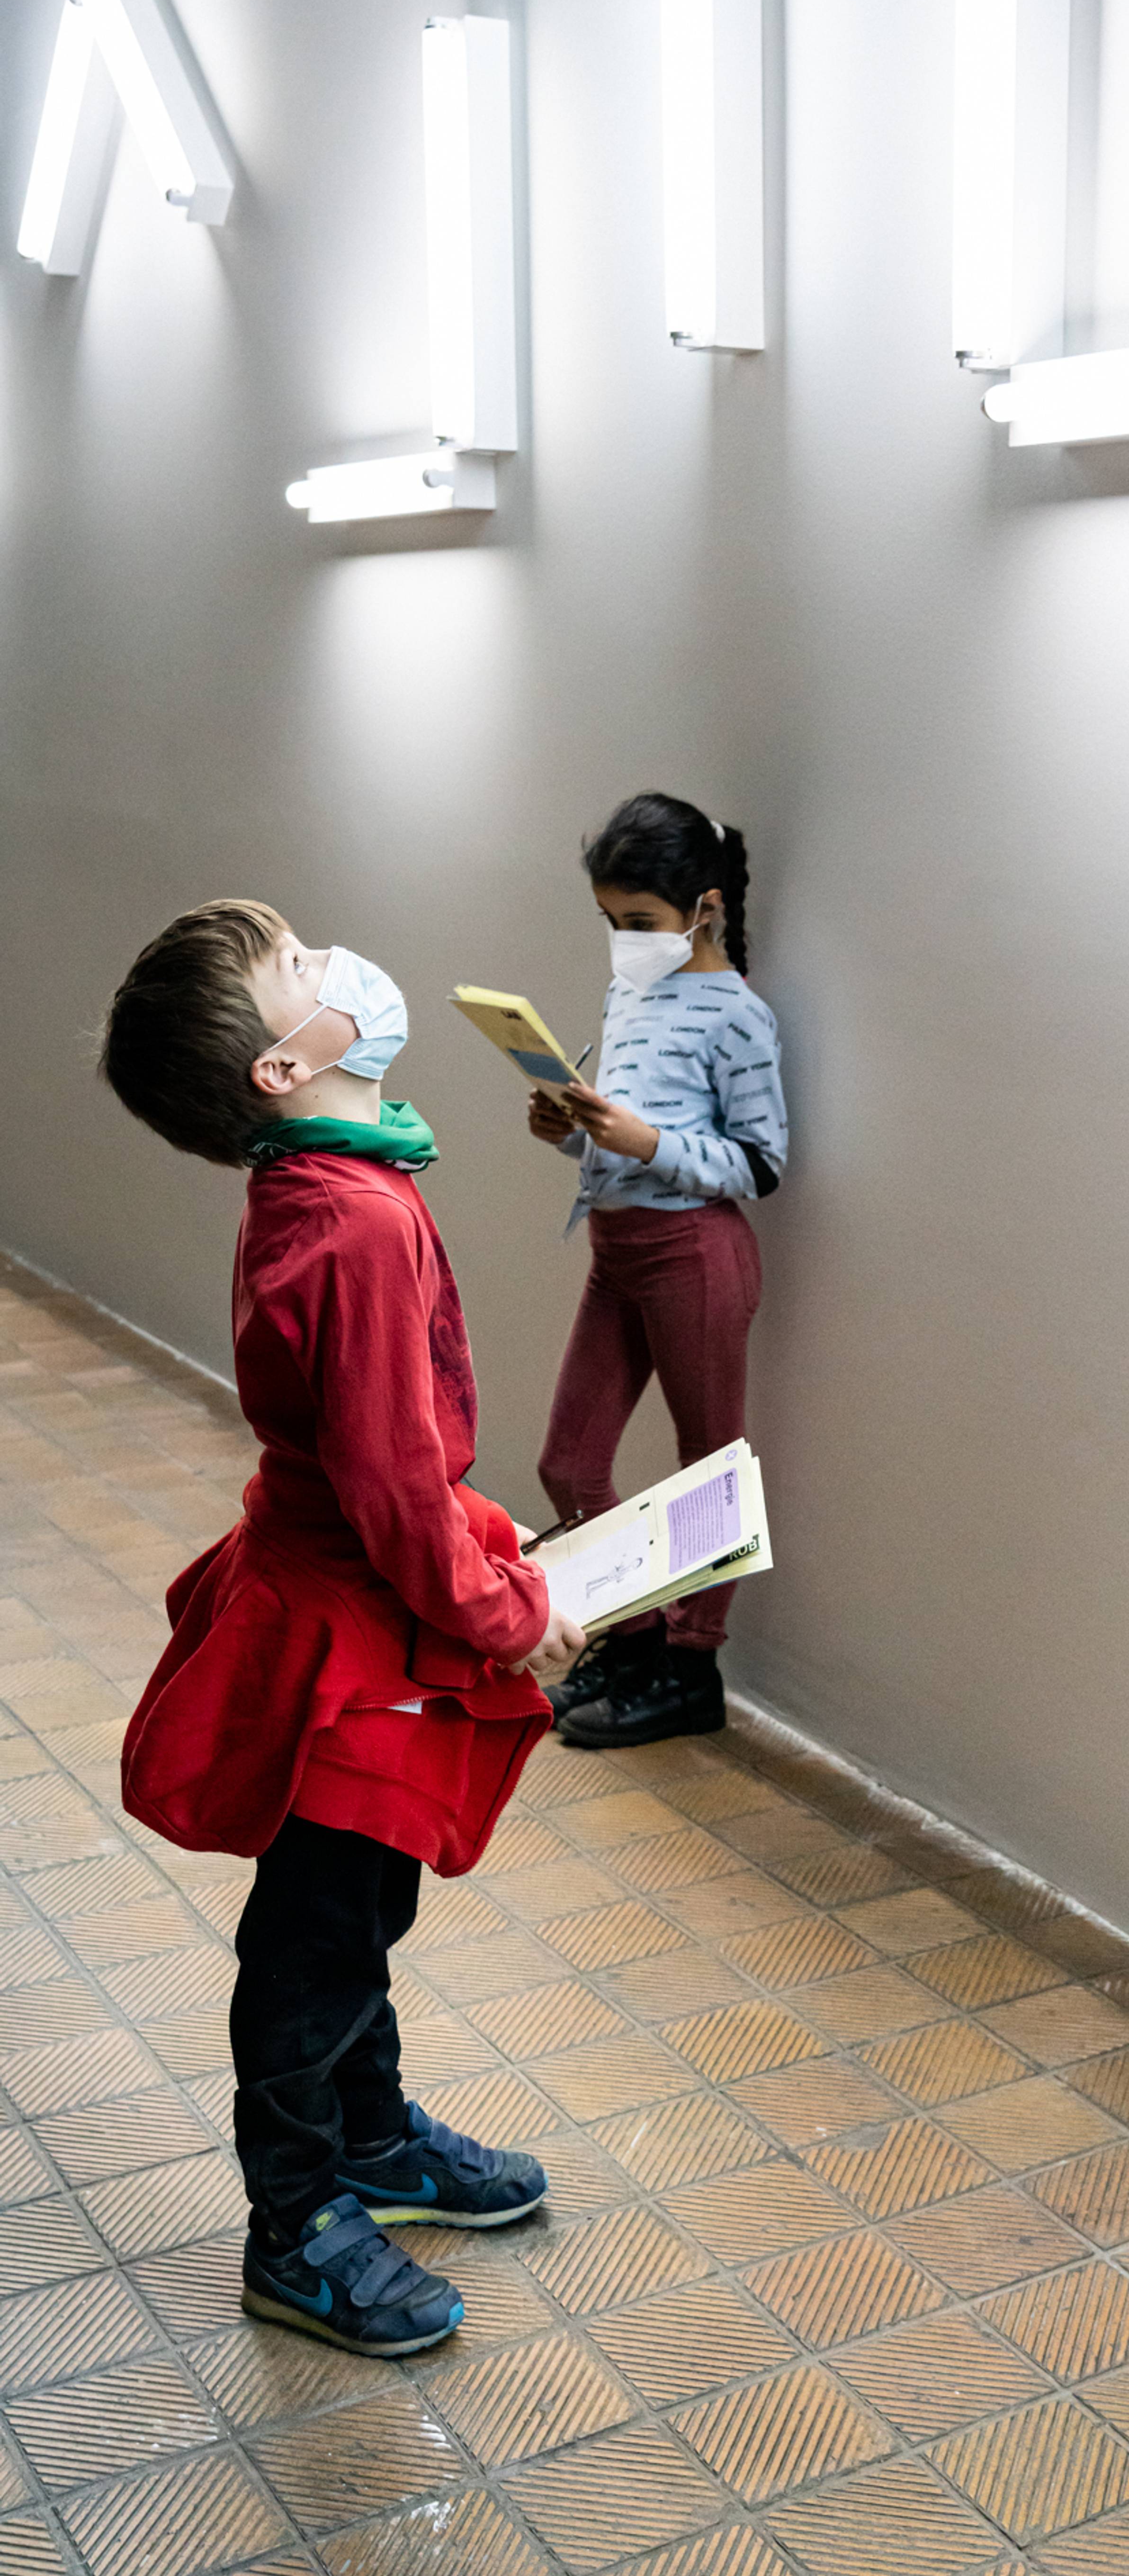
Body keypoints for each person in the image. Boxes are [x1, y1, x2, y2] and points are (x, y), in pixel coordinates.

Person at [99, 905, 586, 2357]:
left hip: (348, 1605)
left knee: (361, 1908)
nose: (335, 966)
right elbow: (387, 1485)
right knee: (316, 1936)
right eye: (300, 969)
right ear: (277, 1069)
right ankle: (296, 2224)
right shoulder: (354, 1216)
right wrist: (512, 1609)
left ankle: (370, 2142)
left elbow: (391, 1457)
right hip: (345, 1646)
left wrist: (481, 1546)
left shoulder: (335, 1181)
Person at [529, 793, 788, 1748]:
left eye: (638, 922)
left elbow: (761, 1165)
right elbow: (621, 1144)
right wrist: (574, 1132)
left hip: (695, 1255)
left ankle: (691, 1667)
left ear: (703, 908)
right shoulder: (631, 994)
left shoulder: (740, 1016)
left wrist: (650, 1139)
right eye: (611, 922)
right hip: (619, 1249)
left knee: (707, 1474)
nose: (624, 941)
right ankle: (636, 1637)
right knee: (569, 1460)